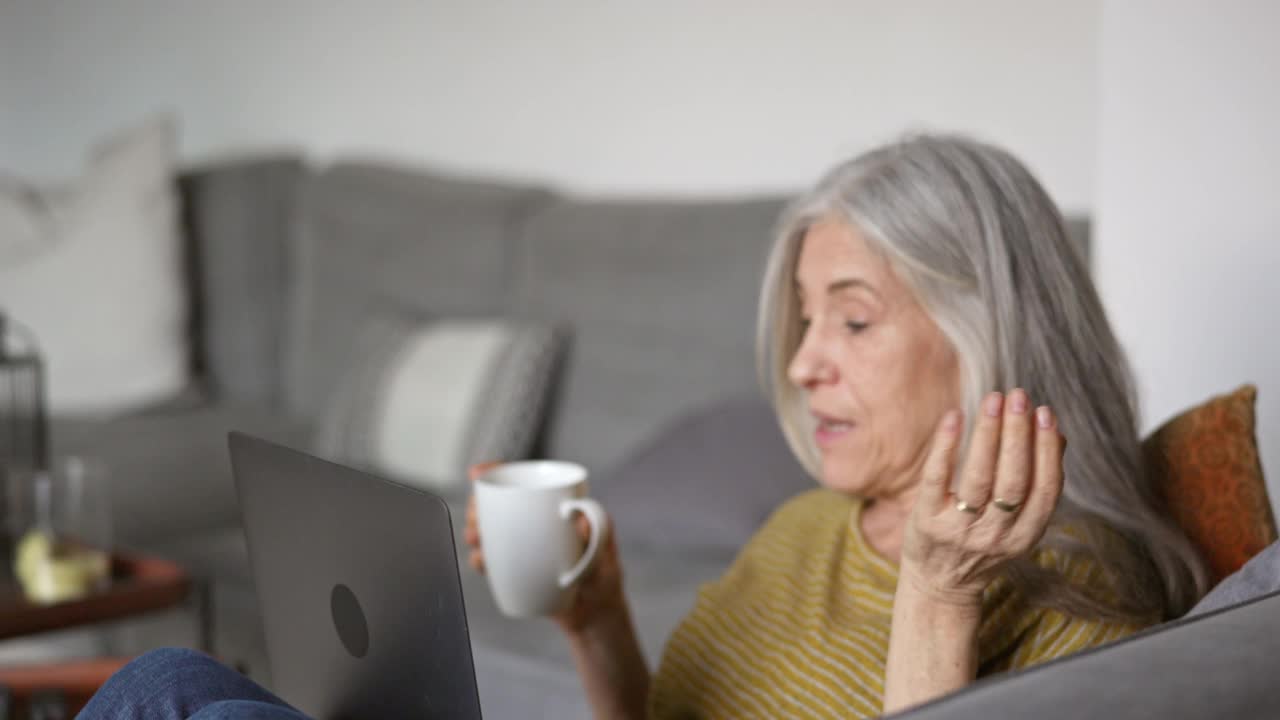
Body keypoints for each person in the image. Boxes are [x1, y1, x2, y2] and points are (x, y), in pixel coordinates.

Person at [78, 135, 1210, 719]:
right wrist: (598, 622)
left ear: (987, 333)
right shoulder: (806, 528)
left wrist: (939, 593)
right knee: (167, 680)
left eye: (852, 321)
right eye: (803, 318)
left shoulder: (1087, 596)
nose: (803, 360)